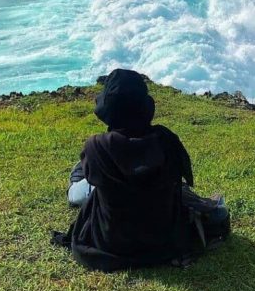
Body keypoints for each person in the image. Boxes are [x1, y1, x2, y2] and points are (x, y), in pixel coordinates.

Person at [52, 69, 230, 271]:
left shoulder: (97, 147)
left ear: (109, 108)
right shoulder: (166, 140)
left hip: (112, 242)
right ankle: (81, 173)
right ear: (145, 106)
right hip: (162, 240)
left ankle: (78, 174)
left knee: (78, 191)